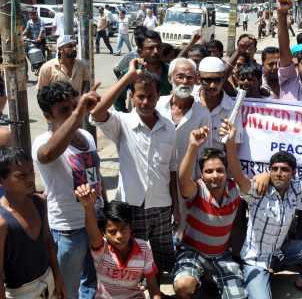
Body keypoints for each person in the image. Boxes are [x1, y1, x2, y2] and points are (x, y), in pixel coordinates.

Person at [227, 119, 302, 299]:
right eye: (274, 169)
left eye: (284, 169)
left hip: (280, 254)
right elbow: (238, 175)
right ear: (269, 171)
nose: (279, 173)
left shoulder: (295, 190)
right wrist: (231, 143)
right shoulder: (258, 191)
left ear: (293, 173)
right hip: (256, 261)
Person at [90, 60, 179, 274]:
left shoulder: (168, 127)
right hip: (132, 206)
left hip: (161, 206)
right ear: (132, 96)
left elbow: (172, 171)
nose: (145, 101)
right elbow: (96, 113)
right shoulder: (122, 123)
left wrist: (176, 208)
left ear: (159, 96)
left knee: (164, 263)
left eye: (150, 96)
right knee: (133, 263)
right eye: (140, 96)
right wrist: (128, 78)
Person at [33, 81, 103, 299]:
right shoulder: (43, 142)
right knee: (67, 290)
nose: (73, 112)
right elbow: (47, 155)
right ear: (47, 116)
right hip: (67, 230)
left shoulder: (87, 136)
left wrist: (104, 206)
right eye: (64, 110)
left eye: (74, 106)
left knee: (92, 283)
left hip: (94, 222)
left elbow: (95, 175)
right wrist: (80, 112)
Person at [172, 126, 258, 299]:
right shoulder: (197, 190)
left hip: (221, 255)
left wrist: (231, 143)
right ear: (202, 175)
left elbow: (243, 180)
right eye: (208, 171)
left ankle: (207, 281)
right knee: (183, 285)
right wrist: (193, 146)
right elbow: (182, 180)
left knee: (238, 297)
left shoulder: (235, 190)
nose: (215, 175)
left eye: (220, 170)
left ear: (227, 173)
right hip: (193, 252)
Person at [0, 147, 66, 299]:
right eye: (21, 175)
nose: (30, 178)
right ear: (2, 180)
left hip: (48, 284)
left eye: (31, 172)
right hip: (20, 293)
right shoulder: (2, 222)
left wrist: (58, 277)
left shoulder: (40, 202)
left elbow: (48, 242)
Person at [74, 186, 162, 299]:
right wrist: (88, 207)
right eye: (112, 231)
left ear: (131, 227)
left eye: (123, 228)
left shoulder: (144, 248)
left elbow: (153, 286)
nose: (119, 236)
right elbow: (92, 232)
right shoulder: (101, 249)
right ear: (103, 233)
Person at [156, 57, 210, 237]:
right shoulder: (156, 106)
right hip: (156, 184)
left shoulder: (202, 115)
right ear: (171, 78)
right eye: (180, 77)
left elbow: (204, 159)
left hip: (185, 188)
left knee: (182, 237)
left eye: (189, 77)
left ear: (196, 80)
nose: (185, 82)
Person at [114, 29, 171, 112]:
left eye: (159, 47)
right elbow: (118, 97)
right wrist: (124, 116)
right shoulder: (132, 72)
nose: (156, 51)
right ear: (140, 52)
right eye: (151, 48)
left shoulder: (171, 71)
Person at [194, 57, 243, 150]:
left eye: (217, 80)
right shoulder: (190, 99)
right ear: (198, 78)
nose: (212, 85)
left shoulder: (232, 108)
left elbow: (235, 147)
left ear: (224, 78)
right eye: (207, 80)